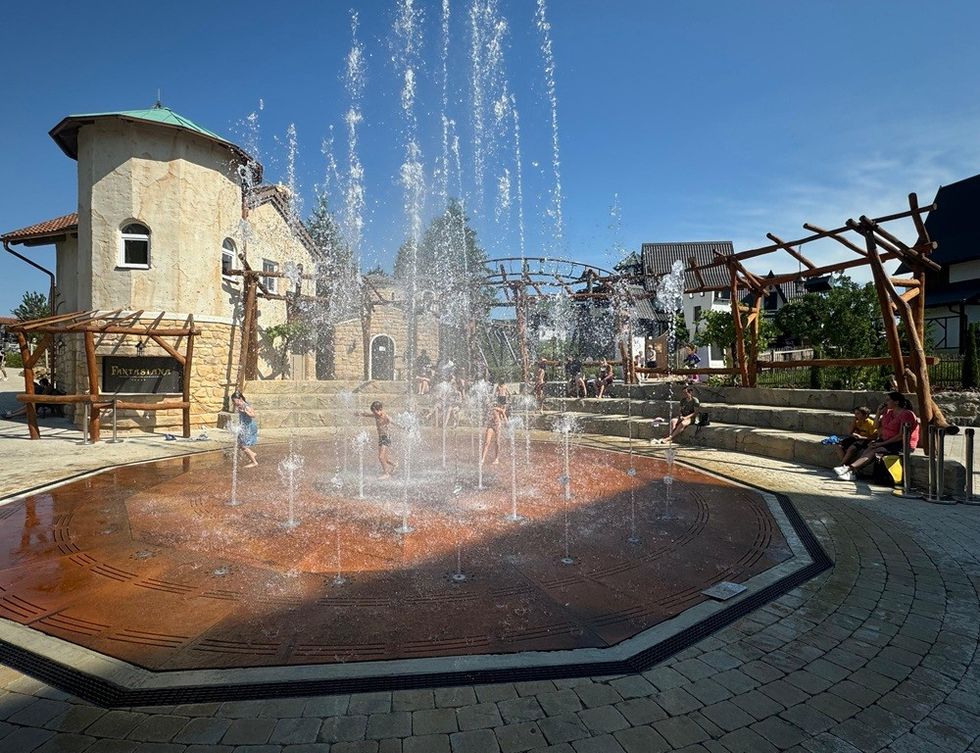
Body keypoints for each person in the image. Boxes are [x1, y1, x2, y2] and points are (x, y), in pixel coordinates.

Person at [835, 392, 918, 481]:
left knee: (875, 450)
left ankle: (849, 468)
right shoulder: (889, 413)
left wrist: (881, 443)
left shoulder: (907, 414)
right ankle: (853, 471)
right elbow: (875, 426)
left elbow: (901, 436)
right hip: (886, 441)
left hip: (901, 444)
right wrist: (878, 413)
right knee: (870, 447)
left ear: (896, 402)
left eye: (888, 400)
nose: (886, 402)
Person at [363, 400, 397, 479]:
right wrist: (359, 414)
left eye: (376, 411)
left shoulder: (386, 417)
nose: (375, 414)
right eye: (374, 412)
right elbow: (367, 414)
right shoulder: (376, 415)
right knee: (385, 458)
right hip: (381, 438)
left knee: (381, 457)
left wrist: (404, 428)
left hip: (386, 437)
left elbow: (394, 422)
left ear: (381, 409)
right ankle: (394, 464)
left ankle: (386, 474)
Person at [230, 391, 258, 468]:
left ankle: (254, 462)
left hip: (249, 427)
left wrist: (246, 412)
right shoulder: (240, 405)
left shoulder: (246, 406)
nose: (234, 403)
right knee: (239, 442)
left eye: (234, 400)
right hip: (245, 427)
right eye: (233, 401)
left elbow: (253, 415)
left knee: (244, 446)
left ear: (240, 399)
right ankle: (252, 453)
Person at [481, 395, 508, 466]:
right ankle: (482, 459)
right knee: (486, 442)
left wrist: (506, 421)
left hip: (497, 425)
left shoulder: (495, 408)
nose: (487, 404)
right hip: (490, 425)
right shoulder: (486, 409)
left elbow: (502, 412)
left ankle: (496, 459)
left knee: (497, 442)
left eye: (487, 402)